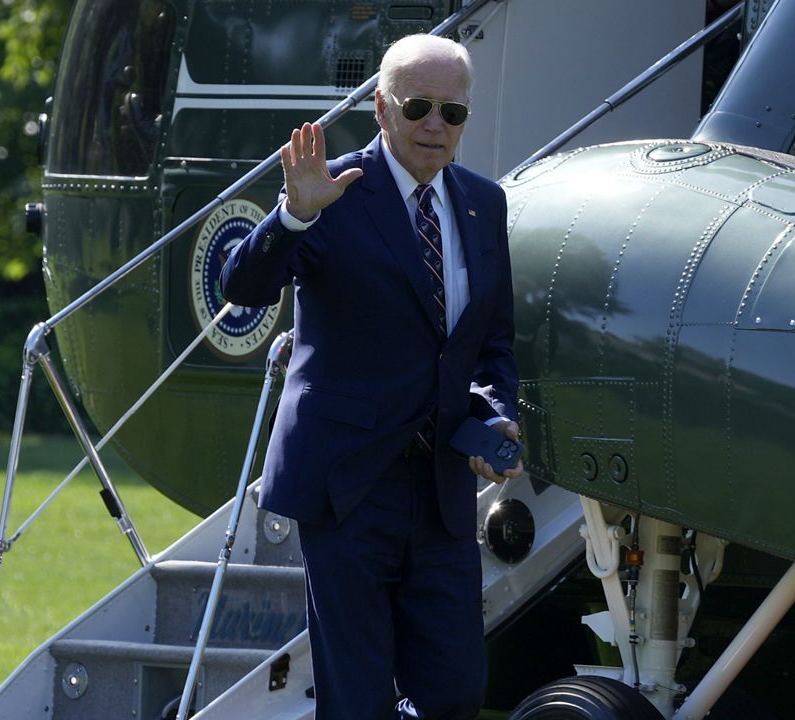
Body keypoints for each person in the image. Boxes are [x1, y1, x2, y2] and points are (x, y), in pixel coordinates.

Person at [219, 34, 522, 720]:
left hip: (442, 486)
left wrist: (497, 412)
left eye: (454, 112)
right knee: (355, 700)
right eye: (419, 107)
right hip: (349, 485)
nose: (436, 126)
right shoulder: (334, 192)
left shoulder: (483, 203)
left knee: (455, 692)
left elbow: (491, 344)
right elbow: (245, 284)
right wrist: (295, 214)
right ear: (382, 109)